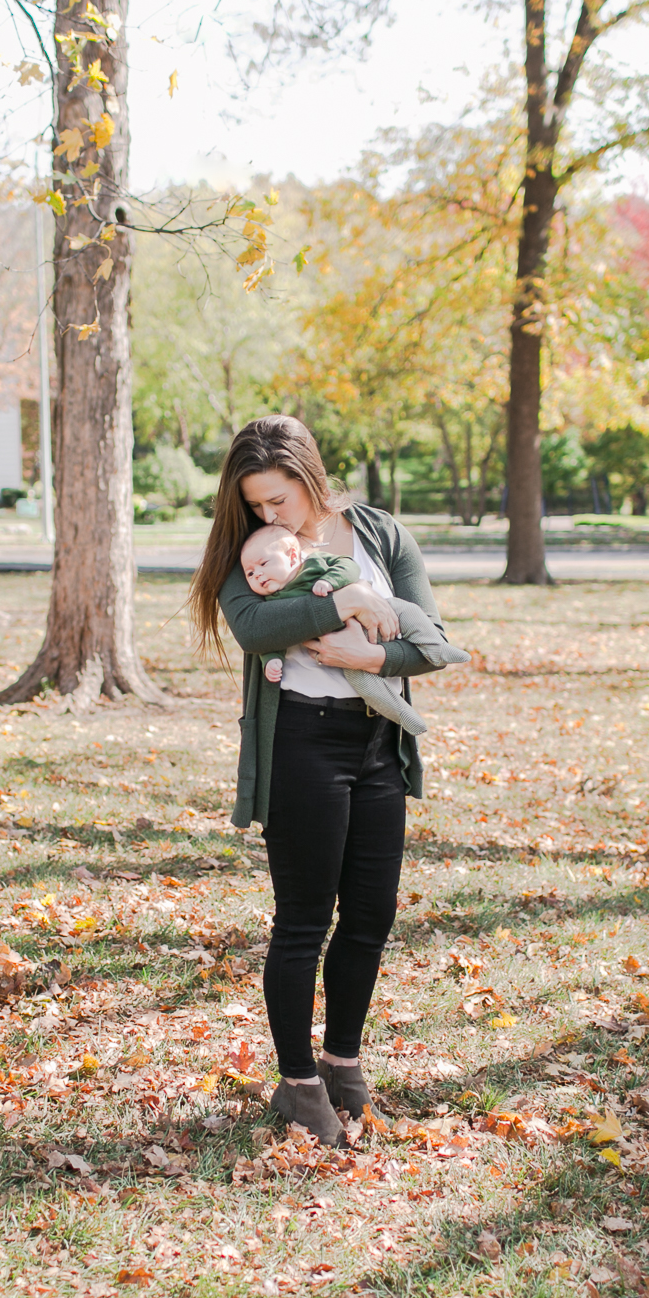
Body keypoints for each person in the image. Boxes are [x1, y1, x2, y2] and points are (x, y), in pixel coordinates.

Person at [186, 414, 457, 1148]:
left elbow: (428, 638)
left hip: (377, 743)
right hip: (302, 739)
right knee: (305, 918)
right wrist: (341, 604)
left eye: (280, 500)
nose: (269, 517)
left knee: (371, 913)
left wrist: (368, 659)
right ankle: (297, 1079)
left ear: (310, 477)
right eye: (257, 504)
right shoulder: (248, 549)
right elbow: (251, 627)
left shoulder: (379, 534)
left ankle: (343, 1059)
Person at [239, 524, 469, 735]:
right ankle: (403, 715)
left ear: (291, 556)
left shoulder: (314, 563)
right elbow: (271, 637)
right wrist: (271, 661)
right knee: (364, 683)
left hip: (380, 616)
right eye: (249, 573)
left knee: (407, 611)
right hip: (342, 648)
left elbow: (348, 565)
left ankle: (436, 647)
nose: (257, 574)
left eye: (263, 564)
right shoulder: (274, 602)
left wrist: (331, 581)